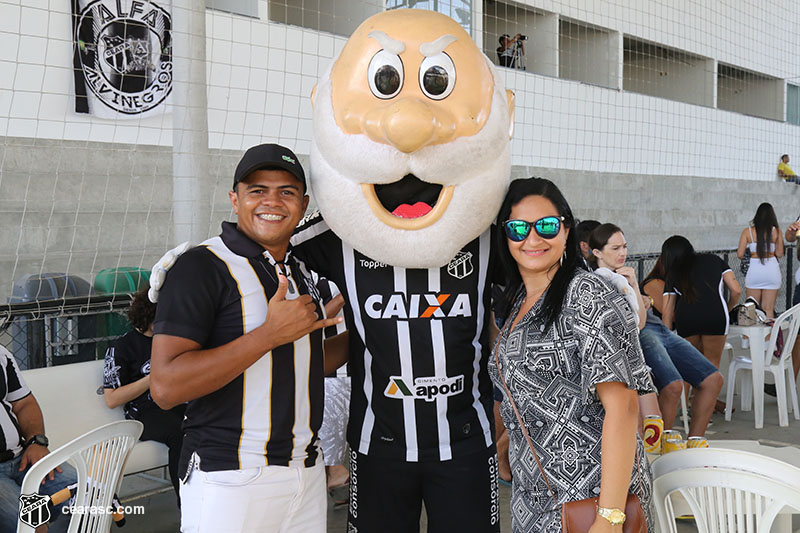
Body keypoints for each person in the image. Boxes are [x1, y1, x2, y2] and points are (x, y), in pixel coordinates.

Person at [150, 144, 345, 533]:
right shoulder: (202, 266)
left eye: (286, 191)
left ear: (303, 204)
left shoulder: (299, 270)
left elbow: (300, 364)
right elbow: (166, 387)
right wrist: (269, 335)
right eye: (257, 190)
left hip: (304, 474)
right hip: (231, 478)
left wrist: (371, 331)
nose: (272, 201)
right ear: (234, 199)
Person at [490, 178, 654, 532]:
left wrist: (609, 517)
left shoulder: (587, 294)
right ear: (504, 236)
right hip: (534, 503)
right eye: (517, 228)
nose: (532, 239)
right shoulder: (518, 299)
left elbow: (623, 407)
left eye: (546, 226)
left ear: (566, 229)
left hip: (592, 501)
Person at [592, 226, 722, 437]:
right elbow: (637, 323)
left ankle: (695, 441)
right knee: (673, 386)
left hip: (657, 328)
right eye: (615, 248)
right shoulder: (599, 280)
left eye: (624, 247)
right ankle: (660, 449)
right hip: (640, 336)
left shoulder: (624, 276)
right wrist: (636, 290)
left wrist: (635, 287)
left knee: (713, 379)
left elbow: (643, 316)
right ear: (597, 252)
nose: (622, 253)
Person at [103, 287, 185, 503]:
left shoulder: (172, 339)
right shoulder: (122, 346)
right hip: (144, 412)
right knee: (180, 434)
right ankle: (186, 507)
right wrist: (153, 377)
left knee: (208, 420)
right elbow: (112, 399)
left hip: (176, 402)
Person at [660, 235, 741, 412]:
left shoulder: (674, 272)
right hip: (715, 317)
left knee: (687, 366)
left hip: (686, 320)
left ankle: (680, 411)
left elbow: (667, 312)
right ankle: (703, 411)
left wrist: (664, 340)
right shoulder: (714, 260)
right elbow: (736, 290)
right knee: (711, 367)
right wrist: (727, 308)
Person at [0, 345, 76, 533]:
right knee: (31, 523)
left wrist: (36, 441)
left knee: (92, 496)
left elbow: (24, 403)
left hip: (22, 458)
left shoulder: (0, 353)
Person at [737, 203, 784, 318]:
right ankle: (768, 336)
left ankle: (750, 336)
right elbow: (779, 253)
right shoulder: (776, 231)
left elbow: (740, 254)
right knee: (768, 309)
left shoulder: (747, 232)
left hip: (755, 271)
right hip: (772, 270)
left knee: (751, 309)